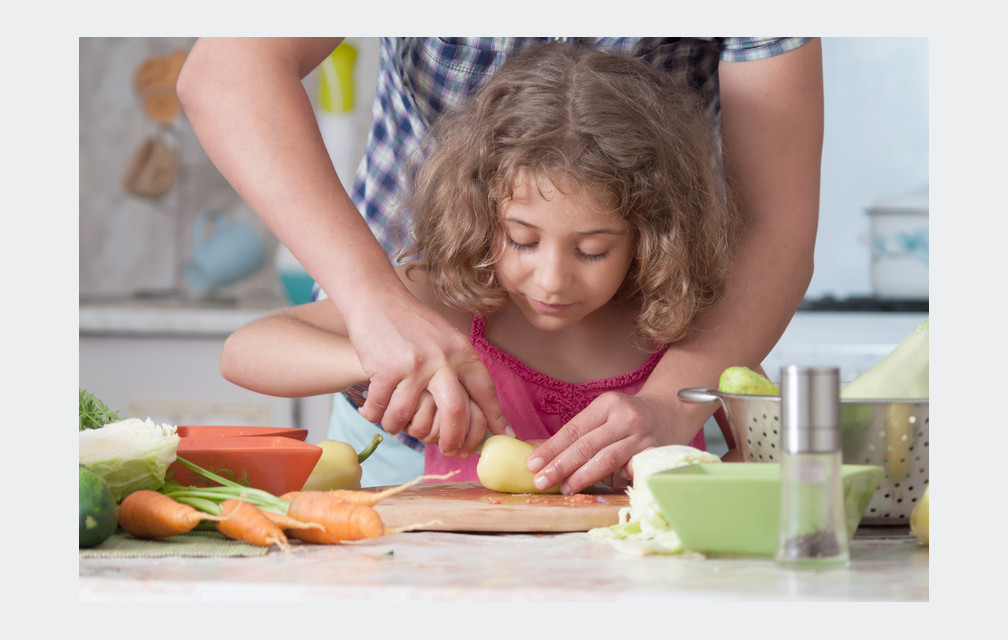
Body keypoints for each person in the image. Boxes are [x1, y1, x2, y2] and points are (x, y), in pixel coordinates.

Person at [179, 37, 823, 493]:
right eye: (521, 240)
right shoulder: (459, 300)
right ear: (483, 220)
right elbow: (245, 350)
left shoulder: (680, 326)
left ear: (647, 234)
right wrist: (377, 352)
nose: (550, 279)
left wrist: (712, 440)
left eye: (593, 250)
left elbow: (760, 452)